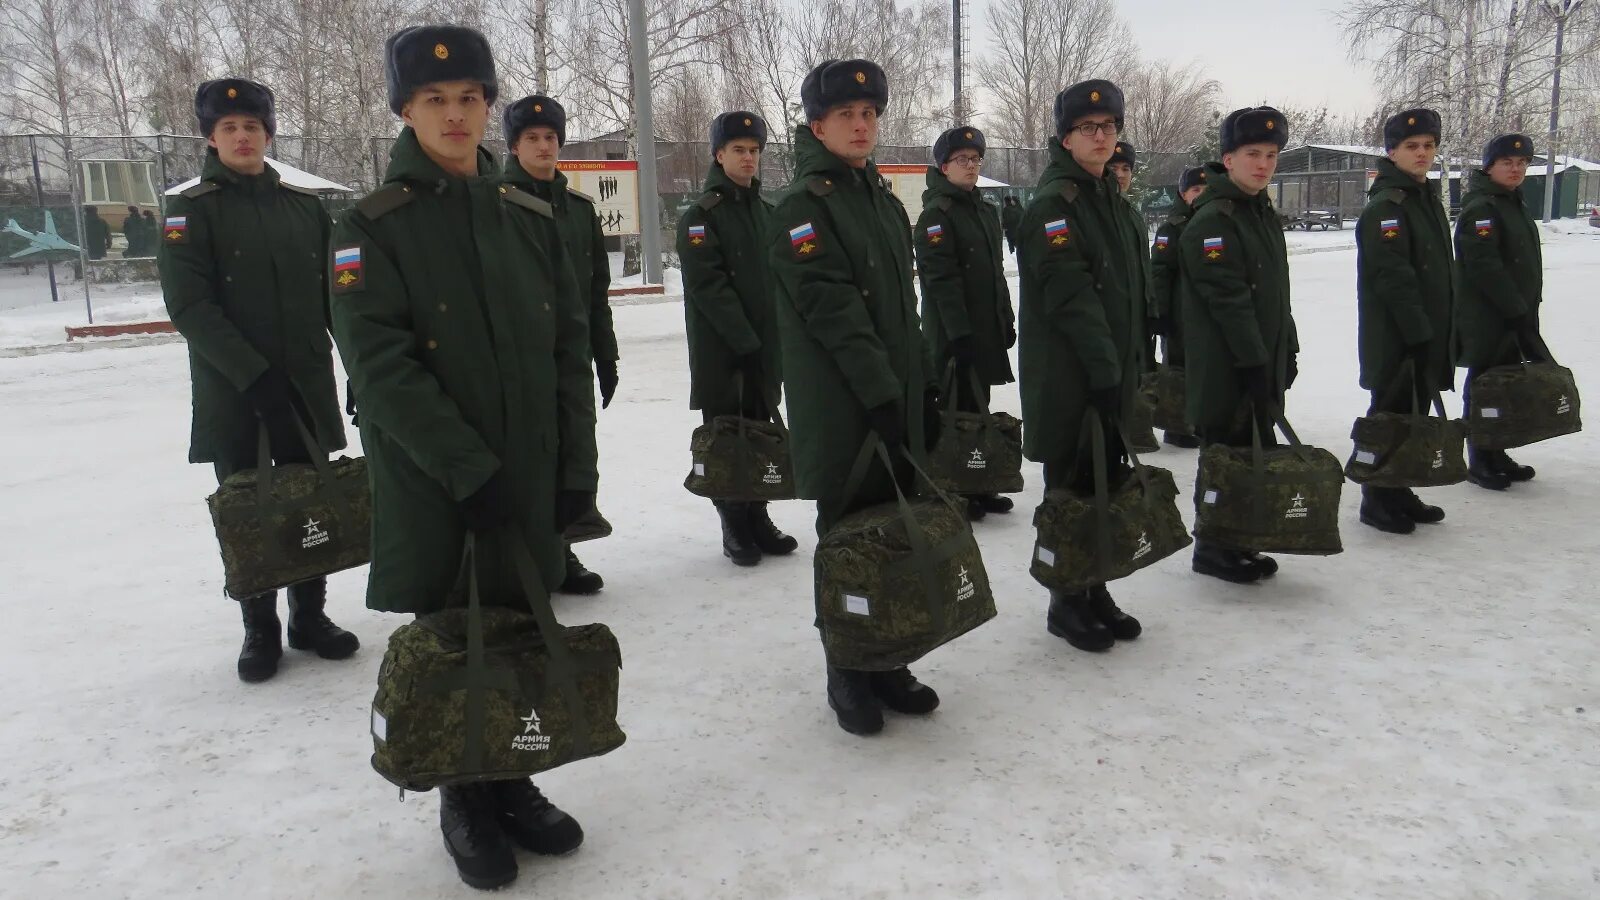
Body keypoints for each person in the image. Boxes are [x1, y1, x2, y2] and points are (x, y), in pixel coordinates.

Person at [328, 25, 596, 890]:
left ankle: (511, 781)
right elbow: (381, 363)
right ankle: (462, 795)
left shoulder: (527, 214)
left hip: (526, 468)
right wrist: (465, 467)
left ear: (489, 105)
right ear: (404, 109)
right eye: (434, 100)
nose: (455, 114)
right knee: (454, 635)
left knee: (518, 624)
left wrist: (575, 470)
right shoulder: (370, 224)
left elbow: (567, 347)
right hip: (438, 480)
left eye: (470, 98)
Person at [157, 78, 358, 683]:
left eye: (253, 127)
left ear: (269, 135)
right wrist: (253, 375)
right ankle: (259, 627)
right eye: (229, 128)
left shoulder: (305, 207)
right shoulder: (186, 211)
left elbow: (337, 300)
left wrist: (358, 368)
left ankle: (309, 618)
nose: (242, 137)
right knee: (252, 508)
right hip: (236, 392)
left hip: (302, 386)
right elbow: (189, 306)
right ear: (211, 137)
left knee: (308, 500)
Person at [769, 58, 941, 737]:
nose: (862, 125)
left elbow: (906, 307)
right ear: (817, 124)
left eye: (870, 114)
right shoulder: (802, 209)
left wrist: (919, 386)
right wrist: (881, 396)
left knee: (892, 534)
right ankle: (847, 667)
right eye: (846, 115)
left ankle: (888, 658)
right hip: (845, 409)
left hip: (890, 398)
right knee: (847, 539)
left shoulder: (882, 200)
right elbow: (833, 312)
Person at [1016, 79, 1148, 652]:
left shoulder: (1108, 200)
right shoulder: (1054, 205)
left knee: (1104, 483)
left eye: (1109, 127)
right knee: (1071, 486)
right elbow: (1070, 296)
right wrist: (1102, 370)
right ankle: (1066, 600)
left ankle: (1095, 588)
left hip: (1109, 372)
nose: (1101, 137)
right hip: (1072, 377)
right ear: (1065, 137)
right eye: (1088, 128)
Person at [500, 93, 614, 594]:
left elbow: (596, 290)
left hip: (570, 356)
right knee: (528, 457)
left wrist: (605, 352)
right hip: (518, 357)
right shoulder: (496, 204)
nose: (543, 146)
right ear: (514, 145)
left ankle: (561, 549)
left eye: (550, 138)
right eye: (532, 138)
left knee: (570, 451)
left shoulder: (578, 210)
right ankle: (524, 559)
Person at [676, 110, 798, 565]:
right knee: (728, 435)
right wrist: (744, 340)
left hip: (766, 349)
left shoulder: (768, 214)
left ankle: (758, 516)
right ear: (718, 154)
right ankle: (733, 523)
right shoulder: (700, 216)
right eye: (739, 150)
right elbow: (708, 286)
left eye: (754, 151)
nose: (749, 158)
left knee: (762, 433)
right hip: (724, 353)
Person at [1180, 107, 1297, 584]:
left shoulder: (1259, 212)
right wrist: (1253, 359)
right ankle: (1213, 546)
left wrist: (1285, 344)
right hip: (1227, 364)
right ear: (1227, 159)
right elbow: (1227, 298)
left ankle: (1238, 539)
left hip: (1259, 356)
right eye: (1252, 154)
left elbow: (1273, 292)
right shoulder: (1216, 218)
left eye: (1271, 155)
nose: (1263, 164)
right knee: (1226, 451)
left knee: (1250, 448)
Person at [1355, 108, 1454, 531]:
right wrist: (1417, 332)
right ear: (1391, 151)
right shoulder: (1389, 207)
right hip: (1397, 336)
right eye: (1412, 147)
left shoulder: (1422, 197)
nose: (1422, 154)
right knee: (1389, 415)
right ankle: (1376, 497)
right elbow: (1392, 276)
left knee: (1408, 414)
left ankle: (1398, 490)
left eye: (1429, 146)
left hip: (1423, 331)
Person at [913, 124, 1016, 522]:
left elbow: (994, 272)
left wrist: (1004, 319)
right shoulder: (937, 216)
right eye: (962, 160)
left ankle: (980, 481)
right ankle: (955, 486)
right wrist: (959, 335)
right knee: (955, 410)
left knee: (980, 405)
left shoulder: (985, 212)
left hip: (984, 328)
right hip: (955, 334)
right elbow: (941, 280)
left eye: (975, 160)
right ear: (943, 166)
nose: (971, 166)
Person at [1455, 132, 1550, 491]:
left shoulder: (1511, 202)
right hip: (1489, 317)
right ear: (1490, 166)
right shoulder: (1483, 207)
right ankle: (1479, 456)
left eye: (1522, 163)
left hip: (1514, 315)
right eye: (1507, 163)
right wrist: (1514, 308)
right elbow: (1483, 264)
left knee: (1504, 386)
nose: (1516, 169)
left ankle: (1497, 451)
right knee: (1485, 386)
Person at [1149, 165, 1209, 448]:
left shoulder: (1214, 224)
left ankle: (1199, 421)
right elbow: (1159, 271)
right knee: (1177, 370)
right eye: (1195, 190)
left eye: (1206, 191)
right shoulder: (1171, 229)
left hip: (1205, 315)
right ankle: (1177, 427)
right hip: (1179, 313)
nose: (1201, 196)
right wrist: (1160, 313)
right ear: (1183, 194)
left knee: (1202, 369)